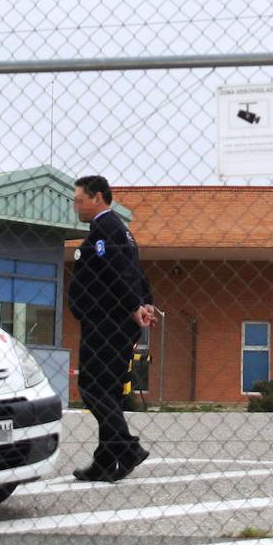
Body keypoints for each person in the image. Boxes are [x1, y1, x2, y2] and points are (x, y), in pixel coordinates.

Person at [68, 175, 157, 482]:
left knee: (91, 387)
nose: (75, 206)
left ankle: (127, 447)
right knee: (108, 391)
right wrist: (144, 302)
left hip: (106, 323)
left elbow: (117, 270)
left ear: (98, 198)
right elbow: (134, 271)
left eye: (79, 200)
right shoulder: (119, 230)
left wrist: (136, 306)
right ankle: (105, 461)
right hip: (113, 321)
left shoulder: (106, 230)